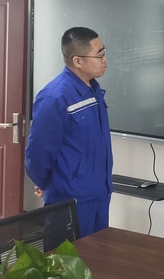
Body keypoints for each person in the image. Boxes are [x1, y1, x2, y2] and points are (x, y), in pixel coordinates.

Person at [25, 27, 113, 237]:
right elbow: (38, 152)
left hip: (100, 193)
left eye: (104, 52)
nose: (105, 60)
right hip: (70, 200)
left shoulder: (92, 90)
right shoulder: (55, 97)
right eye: (99, 55)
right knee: (67, 256)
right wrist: (45, 183)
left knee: (97, 253)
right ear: (78, 61)